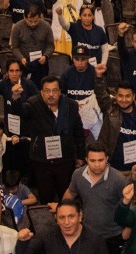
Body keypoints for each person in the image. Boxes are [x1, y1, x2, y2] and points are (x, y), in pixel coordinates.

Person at [21, 75, 87, 203]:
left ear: (60, 91)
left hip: (65, 160)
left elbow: (78, 132)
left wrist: (80, 156)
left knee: (66, 195)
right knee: (46, 196)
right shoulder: (33, 104)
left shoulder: (71, 106)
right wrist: (15, 98)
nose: (51, 94)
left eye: (54, 90)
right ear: (42, 92)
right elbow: (19, 112)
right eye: (47, 91)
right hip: (42, 161)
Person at [65, 143, 129, 254]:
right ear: (86, 160)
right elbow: (71, 193)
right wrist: (62, 210)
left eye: (101, 160)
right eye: (93, 161)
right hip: (86, 233)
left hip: (112, 235)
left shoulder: (118, 179)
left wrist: (128, 228)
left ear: (107, 159)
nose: (97, 164)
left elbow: (130, 204)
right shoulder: (78, 175)